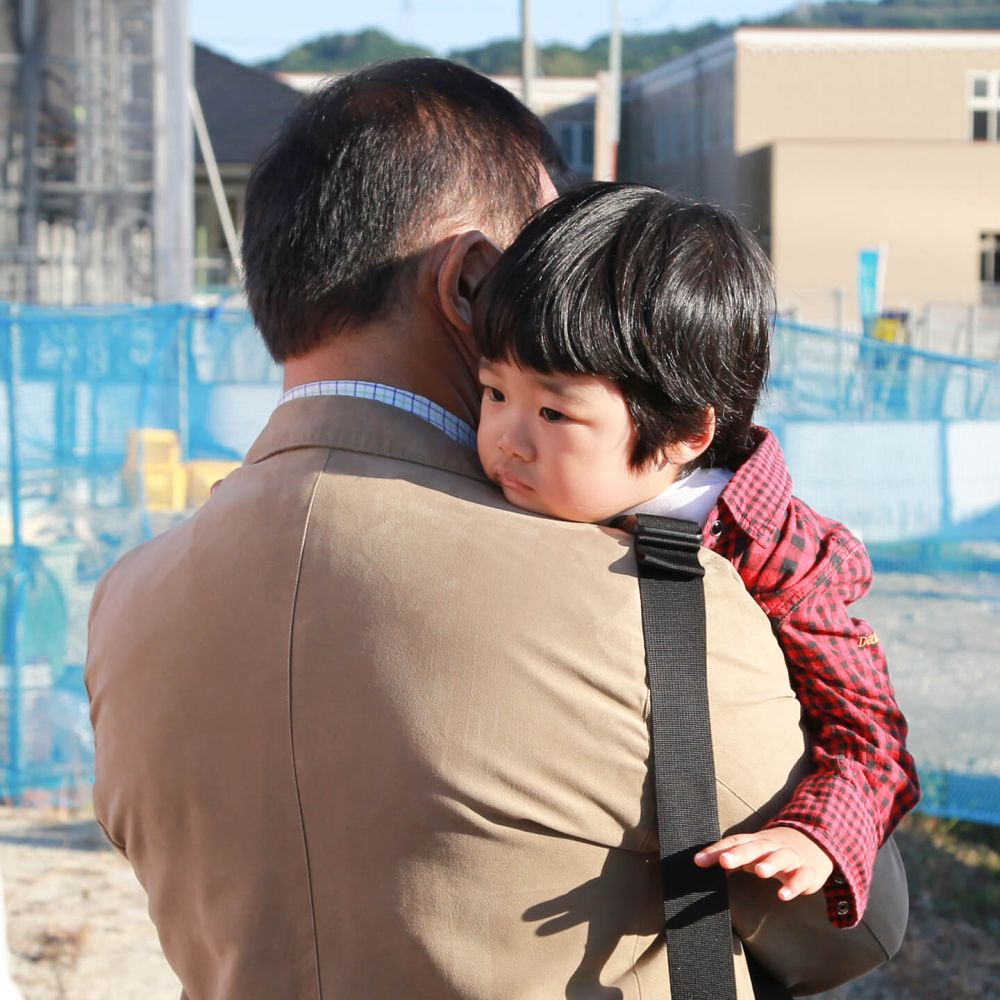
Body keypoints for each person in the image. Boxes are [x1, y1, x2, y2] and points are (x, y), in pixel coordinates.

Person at [87, 61, 899, 998]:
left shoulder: (129, 601)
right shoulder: (647, 602)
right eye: (545, 253)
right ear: (474, 280)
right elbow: (857, 925)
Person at [473, 181, 919, 928]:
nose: (506, 439)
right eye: (492, 392)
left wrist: (811, 836)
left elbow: (873, 737)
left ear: (685, 433)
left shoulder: (778, 558)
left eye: (553, 411)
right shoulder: (516, 483)